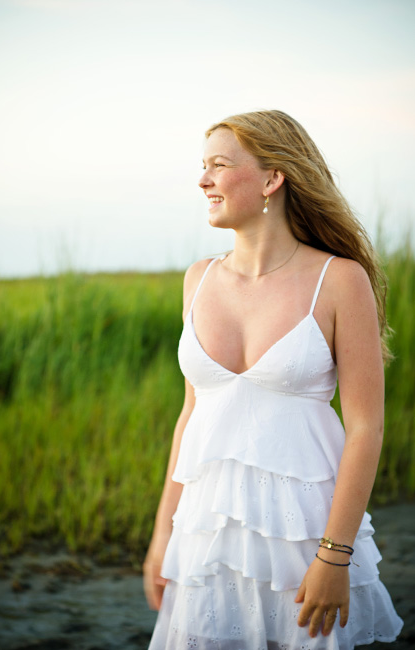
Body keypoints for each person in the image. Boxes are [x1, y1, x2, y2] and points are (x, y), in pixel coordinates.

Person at [143, 110, 403, 648]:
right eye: (203, 166)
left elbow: (364, 428)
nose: (203, 180)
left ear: (271, 178)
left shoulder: (338, 280)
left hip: (304, 535)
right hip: (205, 534)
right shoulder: (199, 279)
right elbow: (191, 416)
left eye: (218, 165)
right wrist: (161, 536)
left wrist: (334, 554)